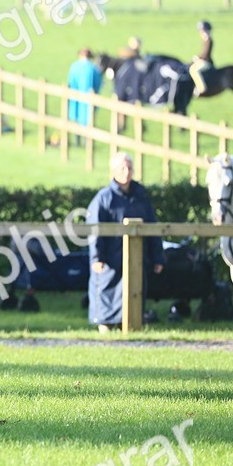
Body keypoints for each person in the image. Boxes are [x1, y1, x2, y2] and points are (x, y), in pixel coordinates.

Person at [87, 152, 164, 332]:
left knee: (134, 294)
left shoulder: (141, 196)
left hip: (136, 261)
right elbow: (94, 230)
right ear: (113, 171)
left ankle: (131, 327)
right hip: (110, 261)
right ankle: (105, 327)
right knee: (107, 295)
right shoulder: (103, 198)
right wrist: (96, 257)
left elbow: (152, 227)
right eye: (122, 168)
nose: (126, 172)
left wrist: (158, 257)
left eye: (129, 167)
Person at [66, 48, 102, 128]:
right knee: (87, 119)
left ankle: (77, 138)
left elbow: (70, 82)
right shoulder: (93, 68)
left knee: (75, 119)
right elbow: (98, 83)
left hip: (75, 97)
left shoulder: (74, 66)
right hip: (88, 98)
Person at [189, 20, 214, 96]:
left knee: (193, 70)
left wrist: (197, 58)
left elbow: (206, 54)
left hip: (206, 62)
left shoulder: (209, 40)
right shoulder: (205, 40)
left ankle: (201, 88)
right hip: (203, 60)